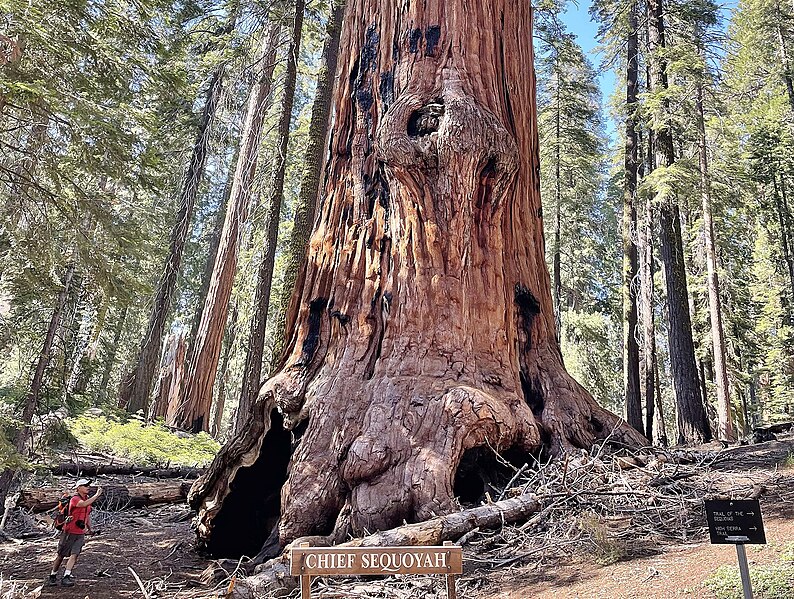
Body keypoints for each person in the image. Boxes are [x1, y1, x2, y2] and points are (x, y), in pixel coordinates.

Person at [48, 478, 103, 587]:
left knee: (75, 554)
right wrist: (96, 495)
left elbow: (86, 515)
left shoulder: (87, 499)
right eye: (85, 485)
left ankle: (66, 576)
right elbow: (83, 504)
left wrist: (90, 529)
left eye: (88, 485)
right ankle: (53, 575)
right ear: (78, 488)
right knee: (61, 555)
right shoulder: (75, 499)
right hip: (69, 531)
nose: (88, 487)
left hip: (80, 532)